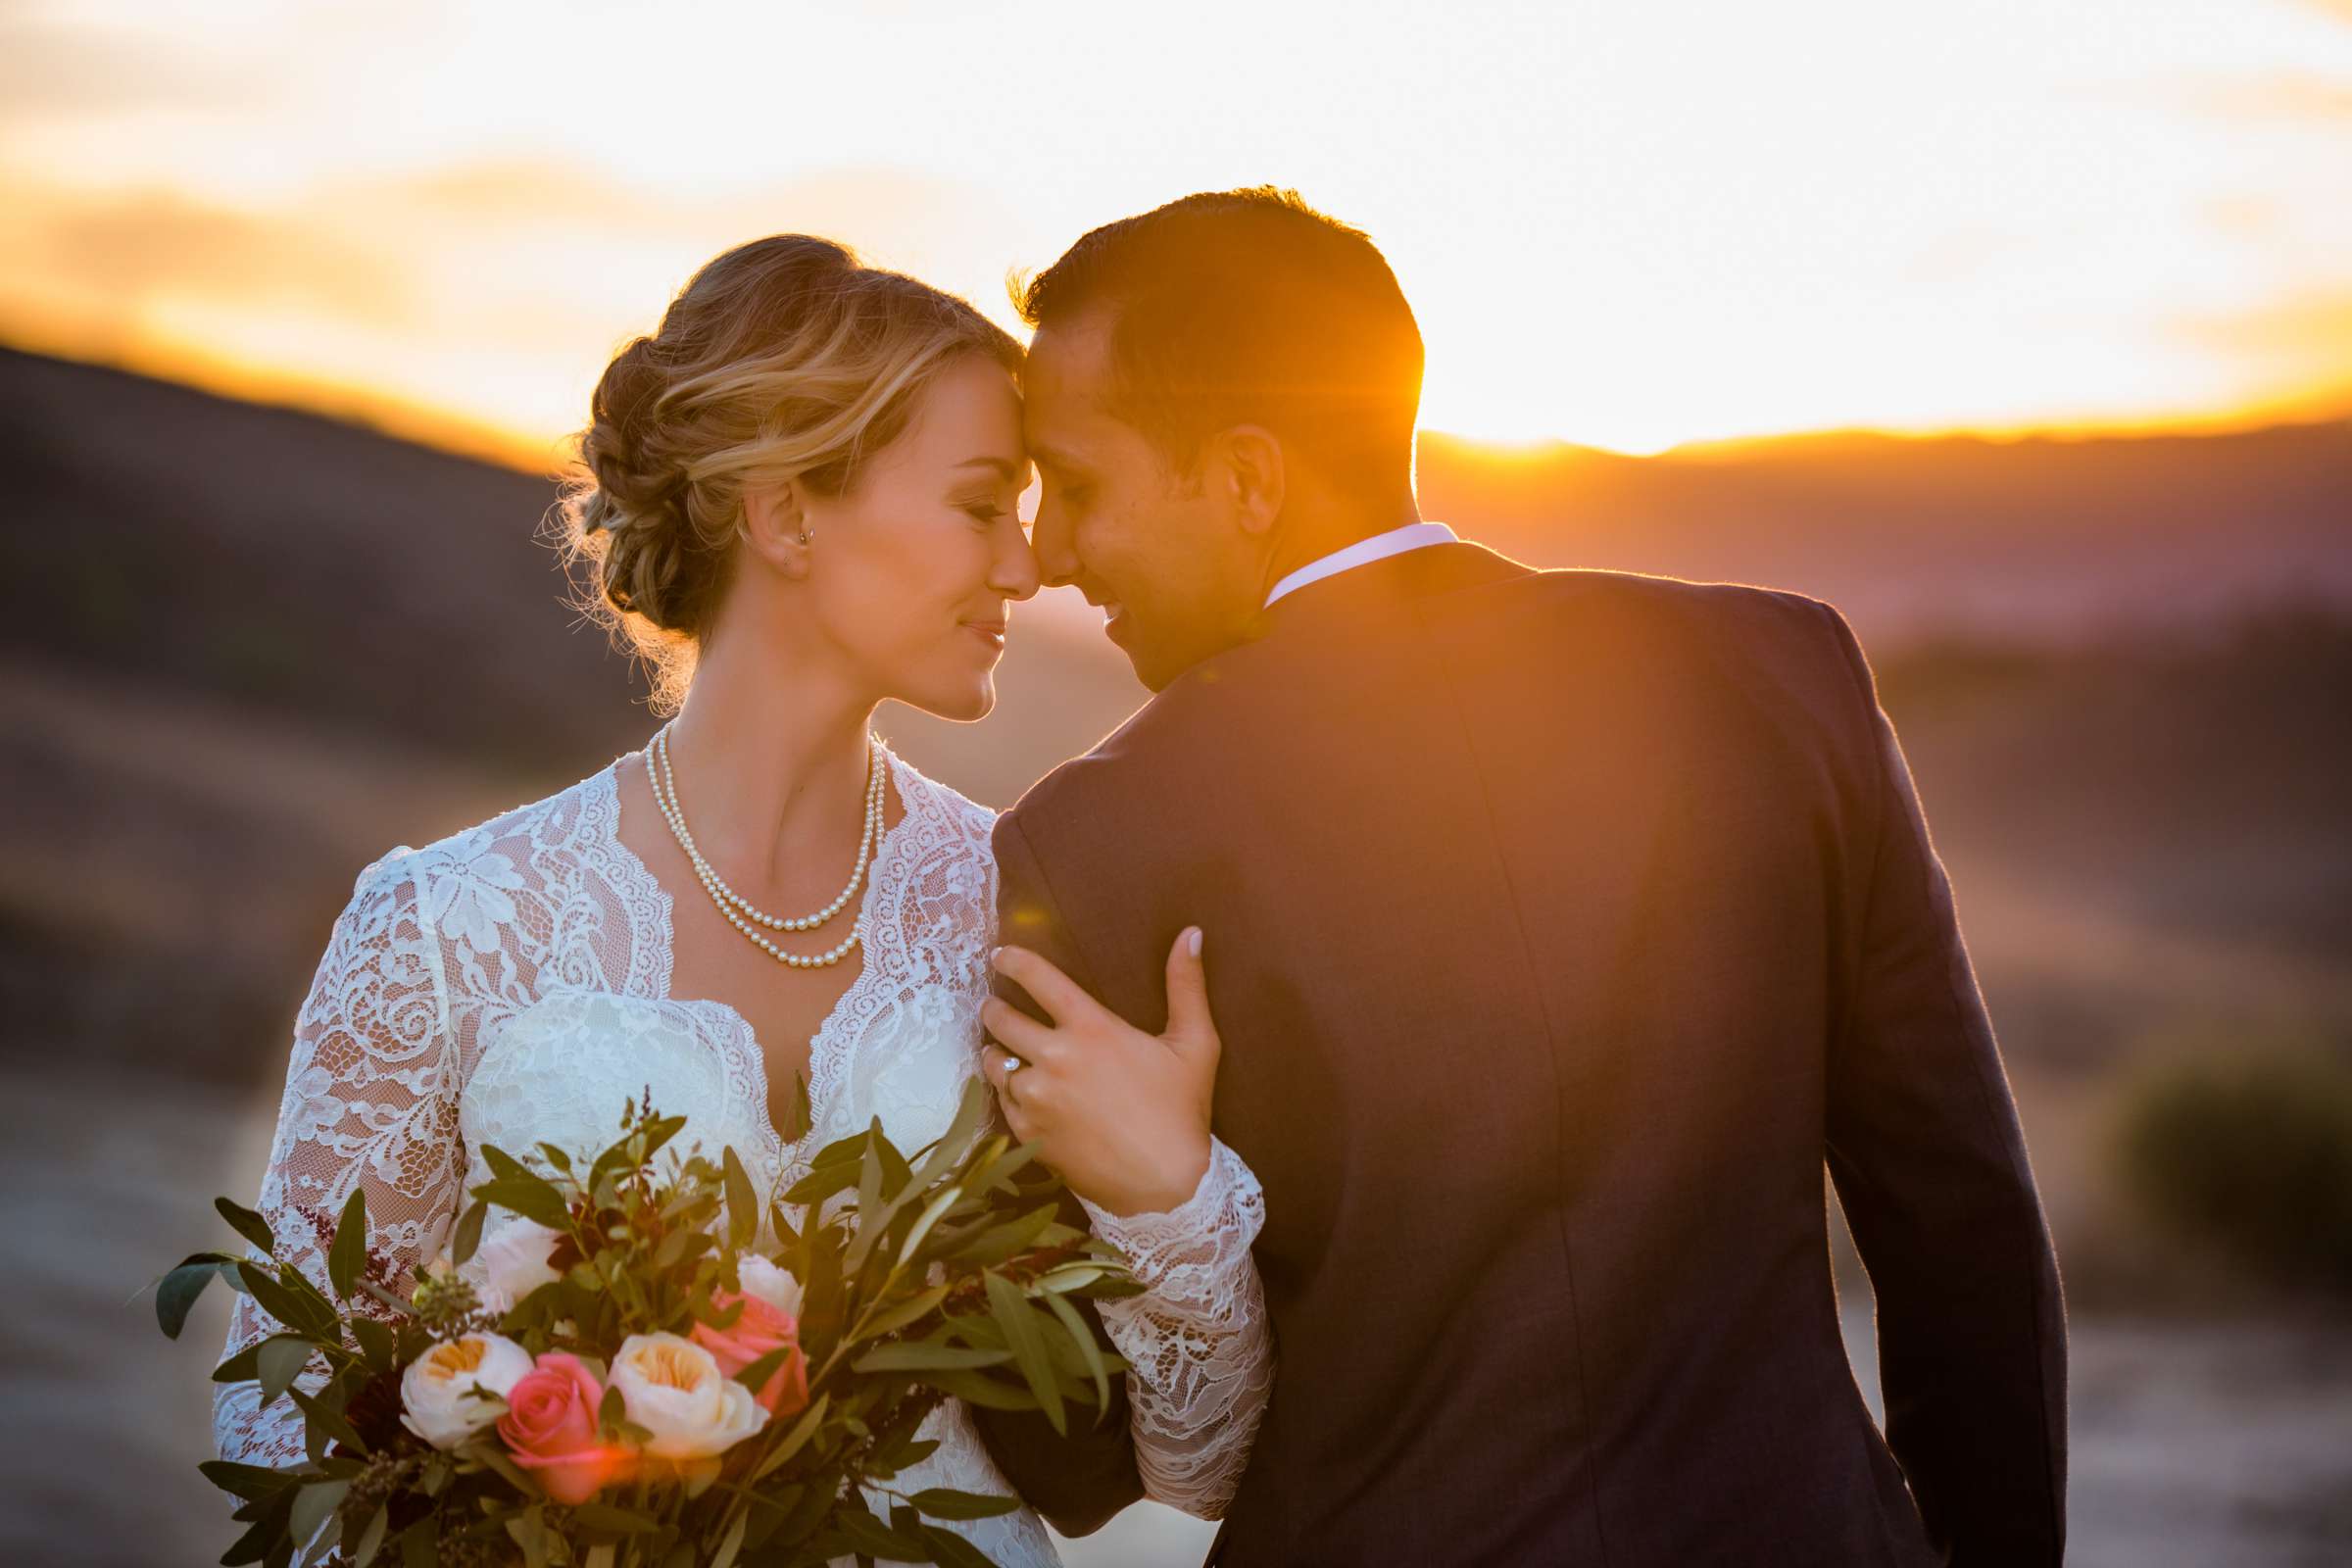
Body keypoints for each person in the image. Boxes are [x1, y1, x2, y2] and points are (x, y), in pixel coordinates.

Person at [971, 188, 2068, 1566]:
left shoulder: (1089, 843)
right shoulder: (1783, 677)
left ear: (1248, 479)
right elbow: (1957, 1216)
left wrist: (1168, 1208)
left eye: (1078, 487)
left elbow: (1065, 1441)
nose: (1054, 552)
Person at [213, 234, 1272, 1566]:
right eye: (980, 502)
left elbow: (1200, 1458)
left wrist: (1172, 1195)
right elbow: (290, 1429)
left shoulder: (1027, 907)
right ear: (786, 514)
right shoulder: (444, 927)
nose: (1025, 563)